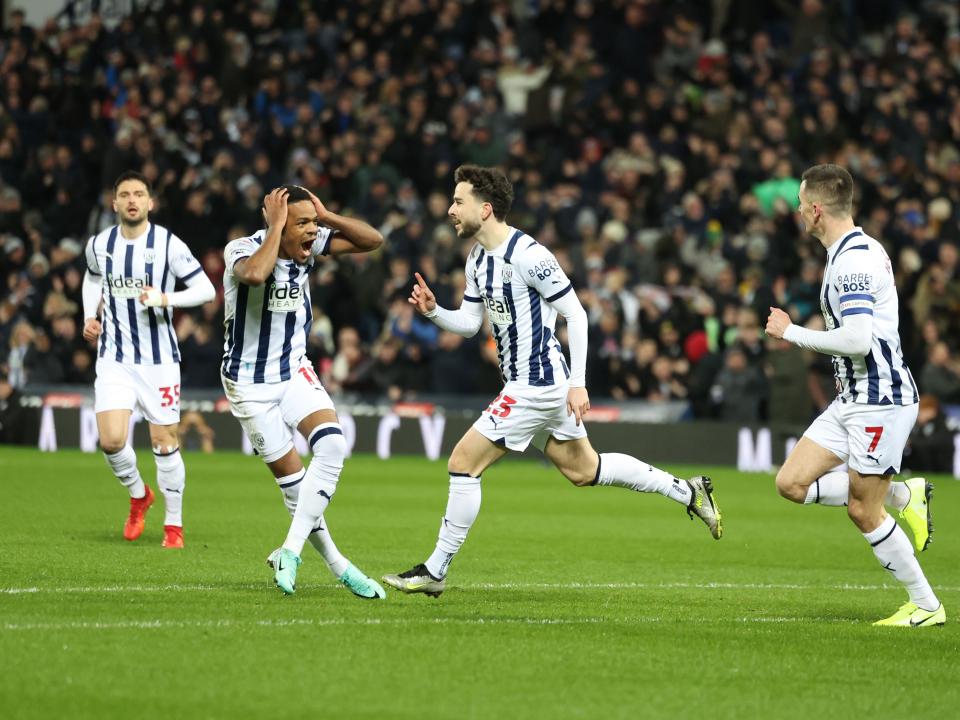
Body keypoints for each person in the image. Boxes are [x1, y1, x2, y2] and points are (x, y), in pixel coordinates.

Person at [383, 165, 722, 598]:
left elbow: (576, 314)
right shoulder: (476, 260)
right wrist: (434, 312)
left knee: (462, 462)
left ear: (484, 210)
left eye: (458, 201)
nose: (450, 210)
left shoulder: (531, 256)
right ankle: (687, 490)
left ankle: (435, 570)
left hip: (538, 385)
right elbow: (470, 324)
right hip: (533, 384)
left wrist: (577, 384)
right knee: (585, 469)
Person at [766, 163, 943, 627]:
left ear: (817, 209)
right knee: (790, 483)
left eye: (803, 205)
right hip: (852, 397)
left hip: (880, 400)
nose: (800, 213)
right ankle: (904, 497)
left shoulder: (852, 263)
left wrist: (792, 333)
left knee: (864, 509)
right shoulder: (850, 251)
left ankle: (926, 605)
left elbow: (859, 339)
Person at [221, 184, 385, 598]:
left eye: (314, 224)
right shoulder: (241, 250)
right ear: (276, 222)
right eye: (303, 224)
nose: (312, 232)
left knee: (331, 446)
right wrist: (277, 227)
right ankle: (338, 565)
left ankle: (291, 552)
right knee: (296, 490)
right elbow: (256, 275)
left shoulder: (311, 244)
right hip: (248, 384)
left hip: (293, 370)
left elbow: (373, 240)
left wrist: (326, 216)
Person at [81, 171, 216, 548]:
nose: (132, 200)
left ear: (150, 203)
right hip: (114, 356)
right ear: (114, 203)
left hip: (159, 362)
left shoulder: (168, 245)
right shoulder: (99, 245)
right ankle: (140, 495)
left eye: (139, 194)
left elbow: (205, 290)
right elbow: (93, 278)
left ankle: (174, 525)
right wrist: (89, 314)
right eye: (124, 194)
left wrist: (165, 299)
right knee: (110, 441)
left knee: (164, 440)